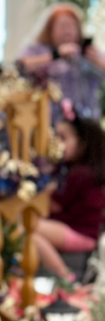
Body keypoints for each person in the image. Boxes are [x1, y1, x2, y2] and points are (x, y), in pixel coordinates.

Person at [33, 107, 105, 279]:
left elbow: (52, 205)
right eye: (55, 137)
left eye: (63, 138)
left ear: (83, 142)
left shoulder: (80, 174)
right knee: (28, 231)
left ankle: (64, 279)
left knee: (27, 228)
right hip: (73, 229)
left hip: (81, 232)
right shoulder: (69, 171)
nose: (57, 144)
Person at [18, 3, 105, 120]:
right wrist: (55, 55)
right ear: (50, 29)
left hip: (84, 125)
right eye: (62, 25)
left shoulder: (87, 53)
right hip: (46, 122)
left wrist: (96, 59)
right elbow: (21, 66)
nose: (67, 30)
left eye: (72, 26)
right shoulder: (37, 50)